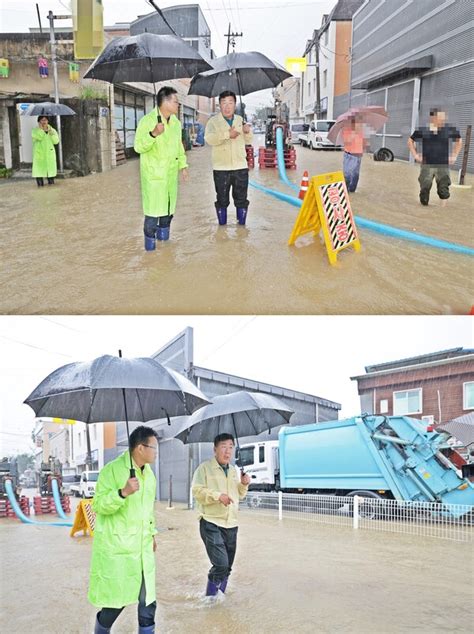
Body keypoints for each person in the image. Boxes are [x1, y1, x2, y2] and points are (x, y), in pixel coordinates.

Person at [88, 426, 159, 634]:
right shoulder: (111, 470)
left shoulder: (150, 476)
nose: (156, 452)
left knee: (148, 600)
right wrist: (122, 492)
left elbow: (147, 511)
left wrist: (152, 534)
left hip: (143, 546)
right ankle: (101, 629)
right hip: (119, 548)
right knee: (115, 602)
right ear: (140, 448)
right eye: (153, 447)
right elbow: (98, 505)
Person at [191, 433, 250, 597]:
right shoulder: (204, 468)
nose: (228, 451)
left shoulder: (233, 470)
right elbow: (197, 492)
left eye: (231, 447)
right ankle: (210, 598)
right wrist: (218, 496)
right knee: (221, 565)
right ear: (215, 449)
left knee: (228, 567)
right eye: (224, 446)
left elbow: (239, 495)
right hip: (211, 522)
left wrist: (244, 485)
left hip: (231, 524)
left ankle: (220, 598)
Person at [134, 86, 189, 251]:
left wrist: (183, 166)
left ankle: (164, 248)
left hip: (170, 176)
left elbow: (179, 147)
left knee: (167, 212)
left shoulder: (176, 123)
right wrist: (153, 134)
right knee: (152, 215)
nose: (178, 105)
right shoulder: (147, 121)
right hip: (154, 177)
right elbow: (138, 147)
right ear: (164, 102)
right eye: (175, 101)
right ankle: (149, 250)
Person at [204, 91, 253, 226]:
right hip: (221, 169)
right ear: (219, 105)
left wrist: (247, 131)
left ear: (235, 104)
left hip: (240, 167)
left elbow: (249, 141)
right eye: (224, 103)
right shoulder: (213, 122)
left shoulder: (240, 120)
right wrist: (227, 134)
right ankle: (222, 228)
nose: (227, 106)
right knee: (222, 200)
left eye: (230, 103)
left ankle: (241, 228)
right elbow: (209, 139)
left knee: (241, 200)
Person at [408, 108, 462, 207]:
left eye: (443, 118)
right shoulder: (423, 129)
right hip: (427, 164)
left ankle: (442, 211)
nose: (443, 120)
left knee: (443, 188)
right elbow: (410, 140)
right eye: (440, 118)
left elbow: (459, 140)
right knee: (425, 187)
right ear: (433, 118)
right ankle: (424, 208)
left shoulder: (448, 129)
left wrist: (454, 155)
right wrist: (415, 155)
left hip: (442, 164)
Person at [342, 115, 368, 193]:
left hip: (352, 154)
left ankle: (347, 190)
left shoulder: (349, 131)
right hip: (353, 154)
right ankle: (351, 189)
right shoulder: (356, 132)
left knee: (348, 173)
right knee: (354, 173)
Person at [31, 115, 59, 187]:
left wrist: (51, 133)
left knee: (51, 177)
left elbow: (56, 141)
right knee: (39, 174)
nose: (44, 122)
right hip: (39, 155)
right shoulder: (34, 130)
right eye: (42, 120)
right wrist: (42, 130)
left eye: (45, 120)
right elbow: (39, 137)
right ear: (39, 121)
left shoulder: (52, 130)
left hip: (49, 154)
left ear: (48, 121)